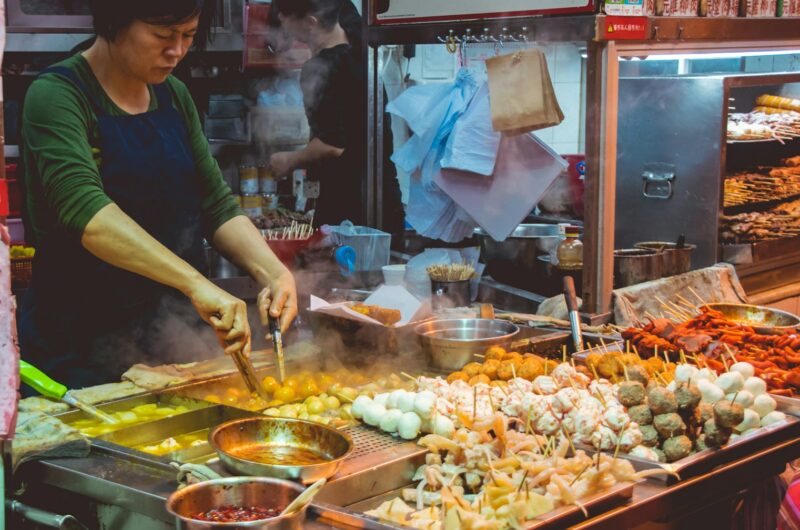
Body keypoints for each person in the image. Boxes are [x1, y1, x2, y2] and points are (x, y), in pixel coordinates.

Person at [18, 0, 297, 388]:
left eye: (188, 36)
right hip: (79, 348)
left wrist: (274, 273)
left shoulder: (174, 96)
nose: (177, 51)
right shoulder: (57, 96)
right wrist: (195, 283)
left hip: (173, 342)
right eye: (163, 35)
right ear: (115, 21)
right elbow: (88, 214)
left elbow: (215, 203)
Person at [268, 0, 404, 239]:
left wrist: (287, 160)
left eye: (285, 21)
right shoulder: (362, 52)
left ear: (311, 23)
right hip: (385, 201)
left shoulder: (321, 67)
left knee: (338, 275)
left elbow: (331, 146)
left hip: (346, 210)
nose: (284, 30)